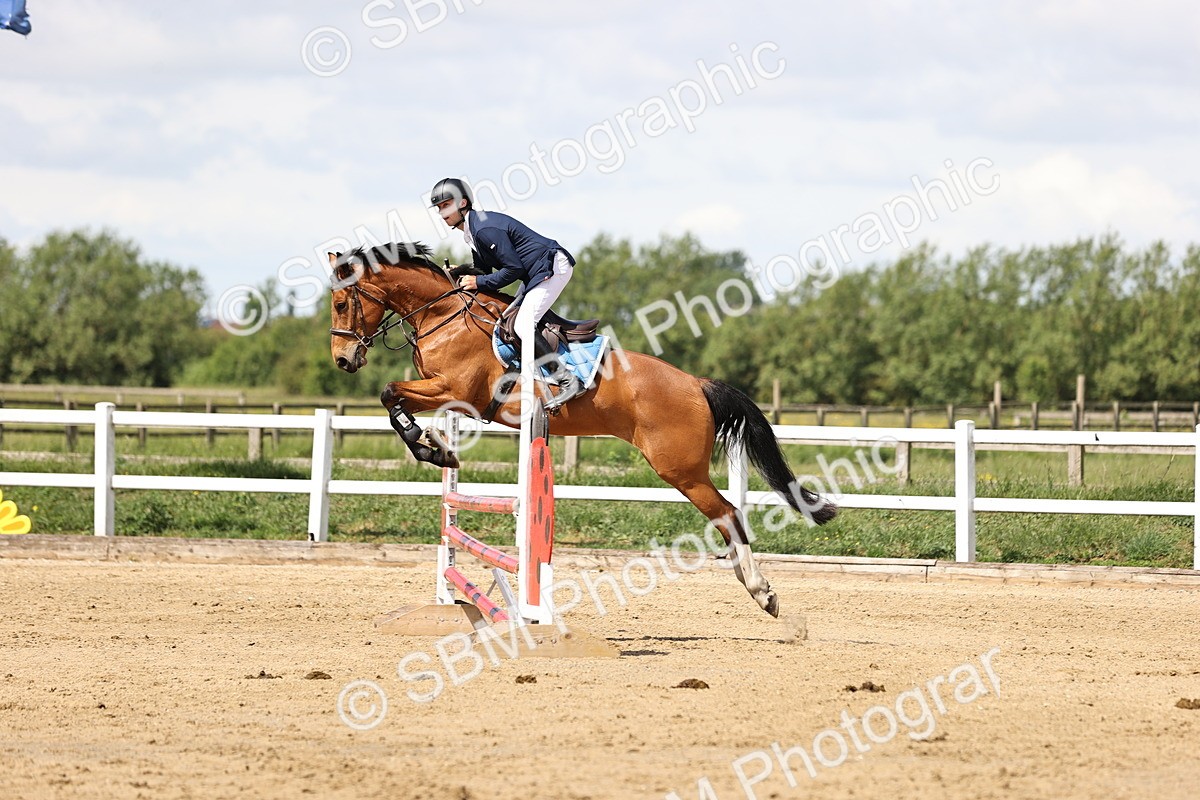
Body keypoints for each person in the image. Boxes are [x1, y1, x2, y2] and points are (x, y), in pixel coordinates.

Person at [430, 177, 584, 410]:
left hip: (551, 266)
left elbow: (513, 270)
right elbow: (484, 272)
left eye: (446, 205)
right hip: (535, 273)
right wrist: (458, 272)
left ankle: (567, 380)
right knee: (509, 320)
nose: (442, 213)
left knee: (522, 325)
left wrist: (478, 280)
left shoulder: (484, 230)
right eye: (440, 208)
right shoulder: (472, 231)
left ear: (463, 203)